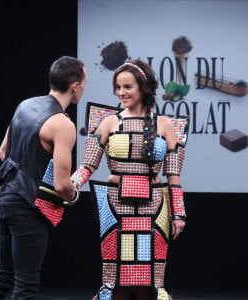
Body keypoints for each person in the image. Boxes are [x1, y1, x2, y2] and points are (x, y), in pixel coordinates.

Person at [71, 59, 187, 300]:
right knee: (115, 278)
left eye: (127, 87)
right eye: (118, 87)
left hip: (154, 205)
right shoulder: (108, 122)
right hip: (115, 206)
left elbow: (173, 175)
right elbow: (87, 165)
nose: (121, 93)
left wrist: (179, 213)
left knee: (150, 279)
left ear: (143, 88)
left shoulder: (165, 125)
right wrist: (70, 185)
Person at [0, 55, 87, 299]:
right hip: (27, 205)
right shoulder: (62, 124)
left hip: (4, 197)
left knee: (1, 278)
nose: (83, 89)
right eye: (84, 84)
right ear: (75, 86)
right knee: (25, 286)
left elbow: (2, 153)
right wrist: (73, 195)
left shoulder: (25, 104)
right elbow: (61, 186)